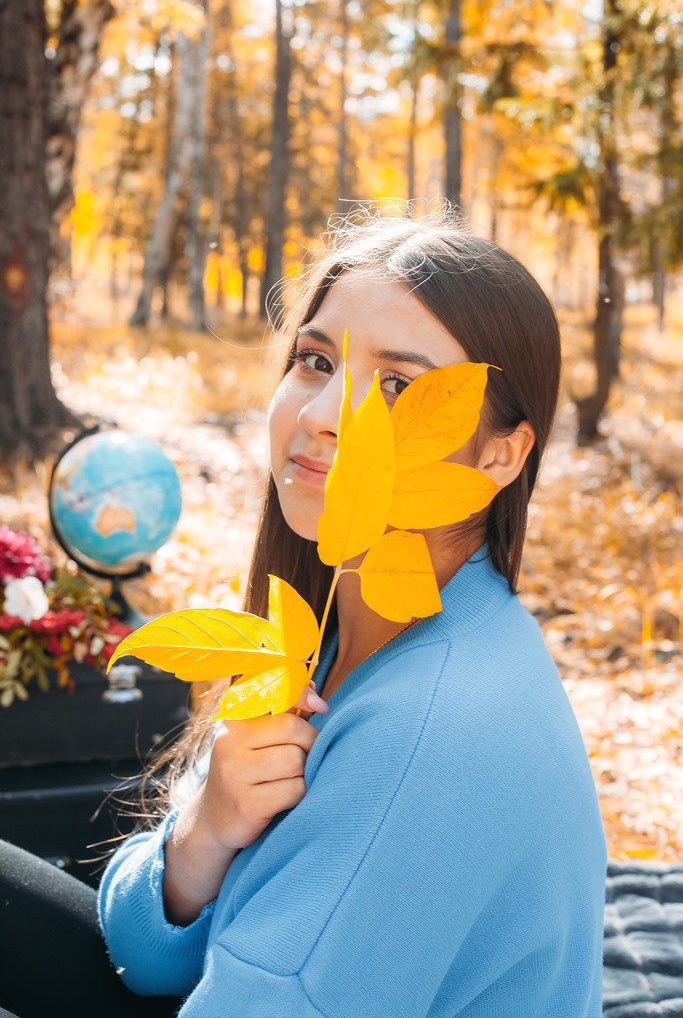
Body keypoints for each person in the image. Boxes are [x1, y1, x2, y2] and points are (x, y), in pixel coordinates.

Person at [0, 208, 607, 1018]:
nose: (322, 413)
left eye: (397, 387)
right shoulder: (335, 632)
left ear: (500, 453)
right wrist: (203, 833)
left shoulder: (426, 730)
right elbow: (140, 956)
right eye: (315, 360)